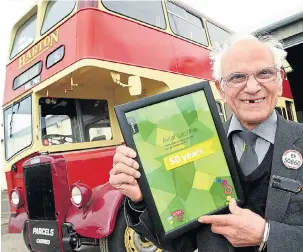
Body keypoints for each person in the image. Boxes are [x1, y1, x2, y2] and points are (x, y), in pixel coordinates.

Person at [109, 33, 303, 252]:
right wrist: (142, 199)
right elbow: (180, 243)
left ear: (279, 81)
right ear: (221, 89)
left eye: (264, 73)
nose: (251, 87)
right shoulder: (197, 143)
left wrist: (267, 235)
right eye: (237, 77)